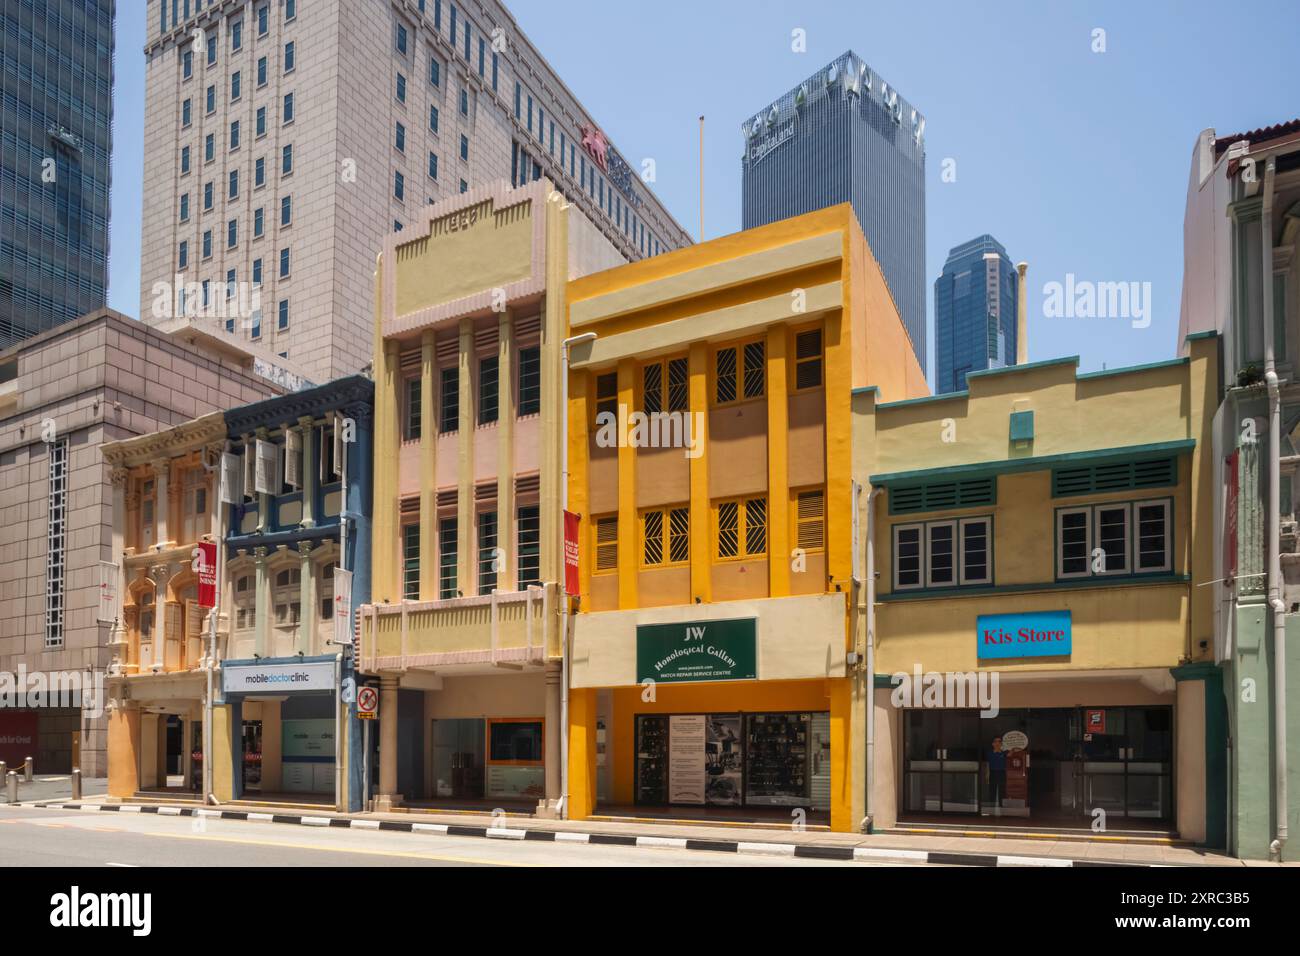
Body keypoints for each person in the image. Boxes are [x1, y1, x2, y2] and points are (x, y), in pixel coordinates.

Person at [984, 736, 1006, 815]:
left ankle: (1001, 810)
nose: (998, 743)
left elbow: (1014, 752)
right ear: (993, 744)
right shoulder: (989, 753)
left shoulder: (1004, 753)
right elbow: (987, 764)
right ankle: (991, 810)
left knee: (1001, 791)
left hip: (1001, 773)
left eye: (999, 741)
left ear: (1001, 744)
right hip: (992, 773)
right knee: (992, 791)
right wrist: (987, 775)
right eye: (996, 741)